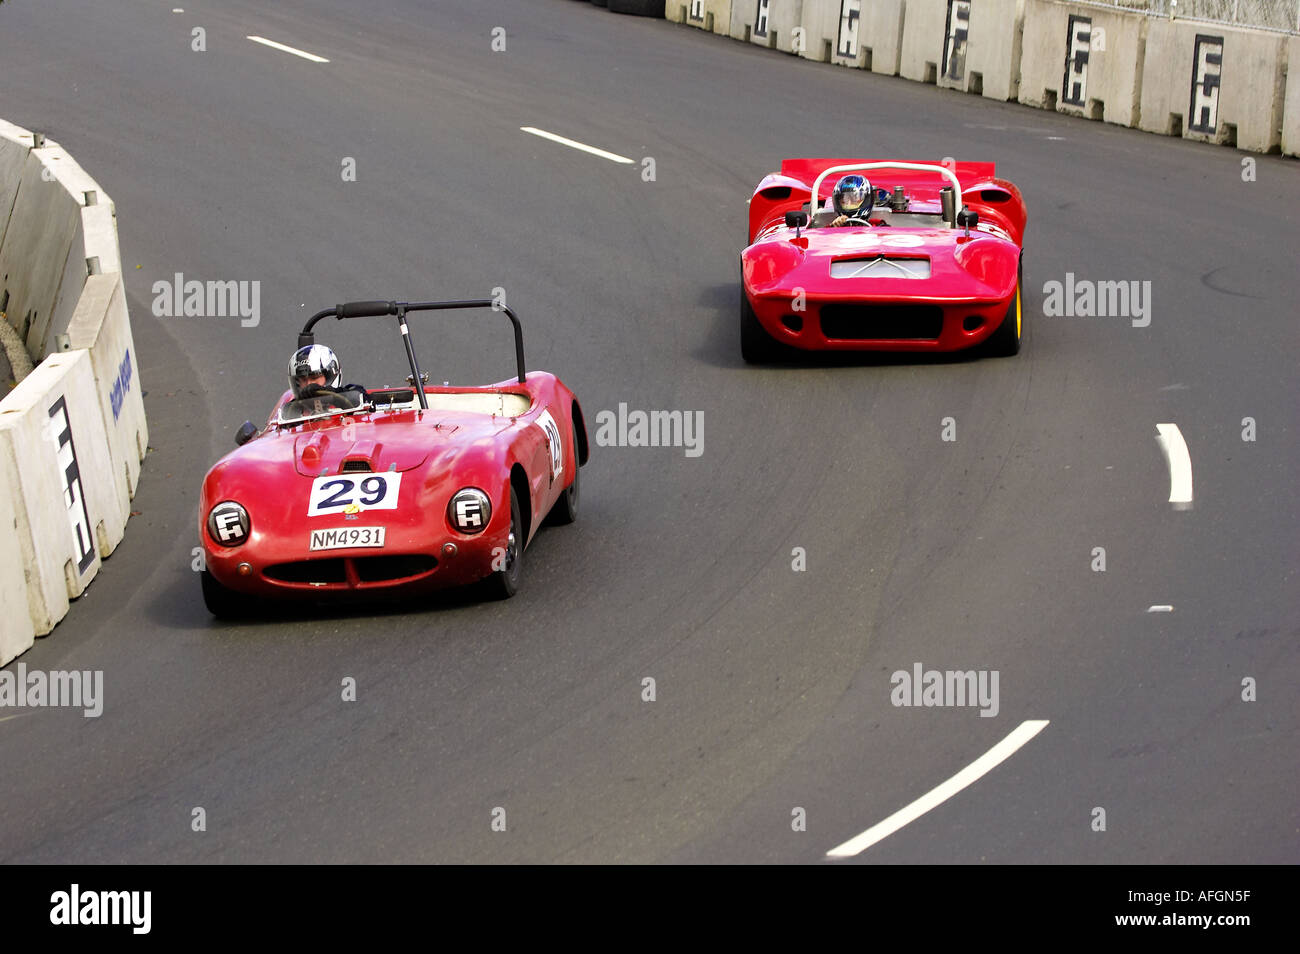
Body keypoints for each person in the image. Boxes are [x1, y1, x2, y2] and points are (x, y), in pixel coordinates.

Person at [286, 344, 368, 404]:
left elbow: (362, 398)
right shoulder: (290, 410)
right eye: (303, 380)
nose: (309, 384)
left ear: (330, 376)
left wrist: (332, 396)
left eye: (314, 378)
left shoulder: (354, 394)